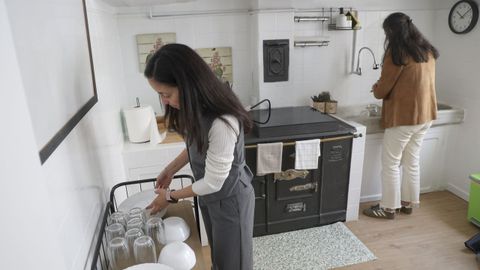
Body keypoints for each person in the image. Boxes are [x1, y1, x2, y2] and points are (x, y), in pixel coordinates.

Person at [144, 43, 255, 270]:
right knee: (222, 260)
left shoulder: (223, 121)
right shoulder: (197, 108)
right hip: (211, 196)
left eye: (167, 94)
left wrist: (170, 196)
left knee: (234, 265)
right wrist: (171, 169)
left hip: (231, 199)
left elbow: (214, 181)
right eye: (160, 95)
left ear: (187, 85)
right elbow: (199, 145)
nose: (164, 101)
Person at [363, 12, 439, 220]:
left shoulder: (397, 53)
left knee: (391, 164)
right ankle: (407, 204)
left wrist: (375, 88)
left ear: (391, 31)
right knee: (412, 161)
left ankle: (388, 208)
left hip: (404, 118)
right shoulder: (427, 50)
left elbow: (382, 90)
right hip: (426, 116)